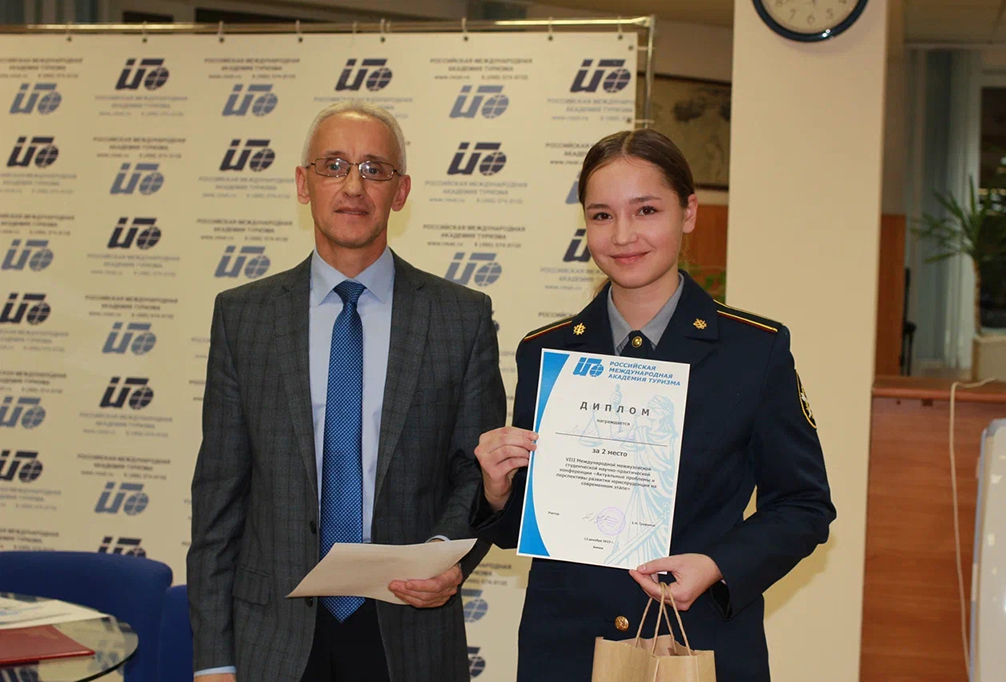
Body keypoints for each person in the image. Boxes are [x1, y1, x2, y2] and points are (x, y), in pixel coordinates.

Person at [473, 128, 835, 682]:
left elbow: (803, 505)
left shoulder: (753, 351)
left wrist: (715, 566)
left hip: (698, 642)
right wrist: (497, 491)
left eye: (645, 210)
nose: (623, 235)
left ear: (688, 212)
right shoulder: (547, 352)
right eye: (602, 215)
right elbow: (531, 518)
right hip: (567, 648)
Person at [188, 101, 506, 682]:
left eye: (374, 169)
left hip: (408, 631)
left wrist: (444, 552)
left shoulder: (460, 318)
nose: (353, 186)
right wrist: (213, 662)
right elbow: (218, 502)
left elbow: (477, 473)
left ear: (400, 191)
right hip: (272, 639)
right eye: (333, 166)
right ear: (303, 183)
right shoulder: (244, 317)